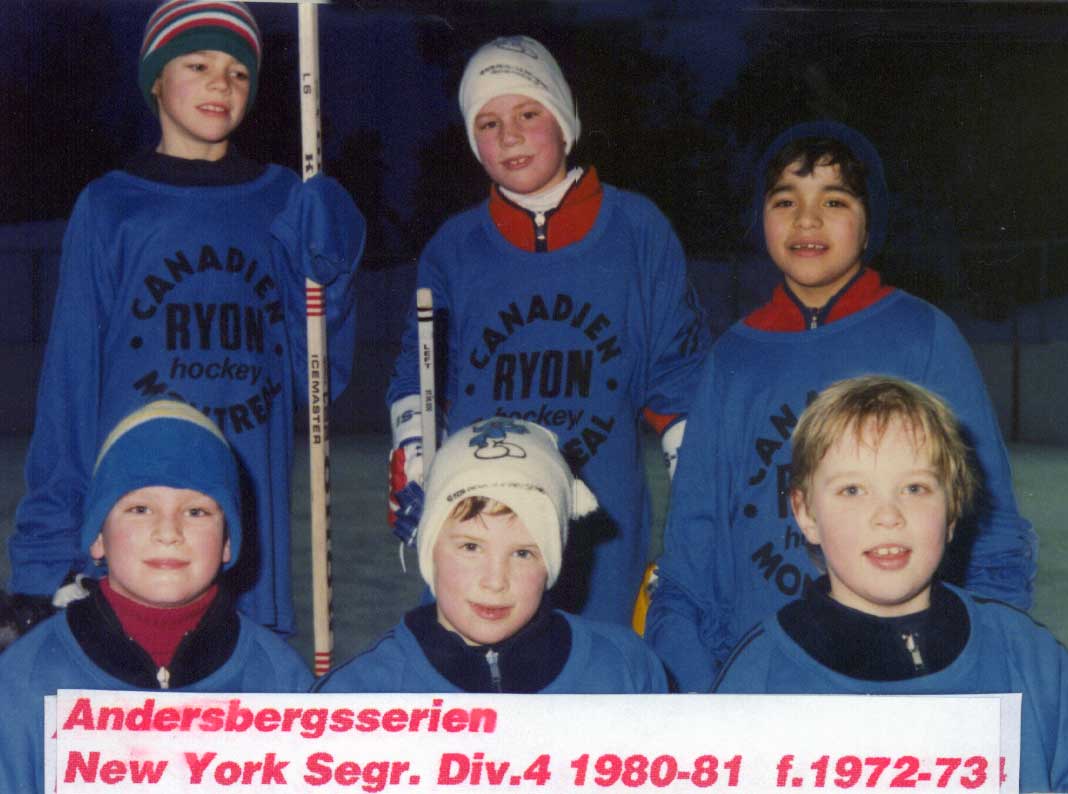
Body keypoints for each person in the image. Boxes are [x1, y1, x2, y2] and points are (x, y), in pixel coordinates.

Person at [7, 0, 365, 638]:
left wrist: (333, 276)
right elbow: (70, 386)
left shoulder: (285, 200)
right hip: (137, 534)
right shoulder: (111, 206)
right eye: (198, 64)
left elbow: (317, 381)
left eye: (238, 71)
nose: (221, 83)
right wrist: (43, 559)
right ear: (156, 79)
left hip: (244, 553)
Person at [647, 120, 1038, 691]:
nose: (807, 220)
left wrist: (979, 671)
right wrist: (693, 685)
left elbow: (991, 527)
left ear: (869, 220)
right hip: (761, 679)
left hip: (906, 678)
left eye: (834, 200)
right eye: (786, 200)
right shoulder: (733, 358)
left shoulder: (922, 336)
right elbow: (692, 546)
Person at [385, 35, 709, 626]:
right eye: (488, 123)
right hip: (484, 524)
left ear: (564, 119)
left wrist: (699, 499)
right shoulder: (454, 248)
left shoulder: (637, 231)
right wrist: (415, 453)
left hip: (602, 528)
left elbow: (678, 379)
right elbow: (420, 375)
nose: (509, 136)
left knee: (598, 667)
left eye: (528, 114)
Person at [713, 375, 1068, 792]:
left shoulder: (1027, 658)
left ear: (952, 510)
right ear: (806, 514)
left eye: (914, 488)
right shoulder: (759, 674)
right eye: (853, 490)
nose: (888, 515)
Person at [0, 400, 314, 794]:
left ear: (227, 542)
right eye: (140, 509)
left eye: (196, 512)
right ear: (97, 537)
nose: (168, 532)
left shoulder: (280, 679)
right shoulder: (24, 681)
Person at [316, 417, 669, 693]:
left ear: (553, 562)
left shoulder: (624, 671)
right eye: (471, 547)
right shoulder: (360, 694)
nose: (495, 581)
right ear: (429, 548)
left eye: (523, 553)